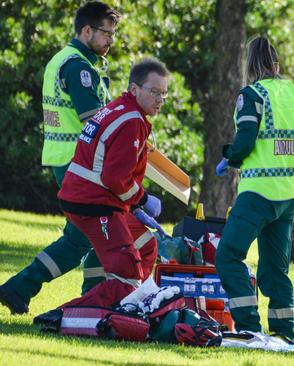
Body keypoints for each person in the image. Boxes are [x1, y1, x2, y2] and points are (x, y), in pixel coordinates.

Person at [0, 1, 120, 315]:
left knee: (98, 232)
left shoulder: (62, 59)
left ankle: (93, 299)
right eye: (107, 34)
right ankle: (20, 287)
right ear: (87, 30)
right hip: (79, 164)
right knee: (80, 239)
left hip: (67, 160)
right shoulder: (79, 66)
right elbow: (94, 119)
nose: (111, 41)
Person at [214, 36, 294, 340]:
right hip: (289, 196)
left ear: (251, 68)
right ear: (276, 65)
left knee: (228, 255)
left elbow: (246, 139)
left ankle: (250, 327)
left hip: (258, 193)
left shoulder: (251, 95)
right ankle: (284, 331)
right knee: (274, 268)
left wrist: (229, 158)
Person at [51, 57, 169, 310]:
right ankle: (66, 315)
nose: (160, 99)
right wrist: (143, 201)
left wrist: (136, 206)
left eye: (164, 94)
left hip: (93, 198)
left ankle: (134, 305)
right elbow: (115, 179)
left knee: (146, 246)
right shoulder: (131, 121)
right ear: (135, 89)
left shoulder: (122, 109)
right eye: (154, 92)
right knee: (127, 275)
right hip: (94, 203)